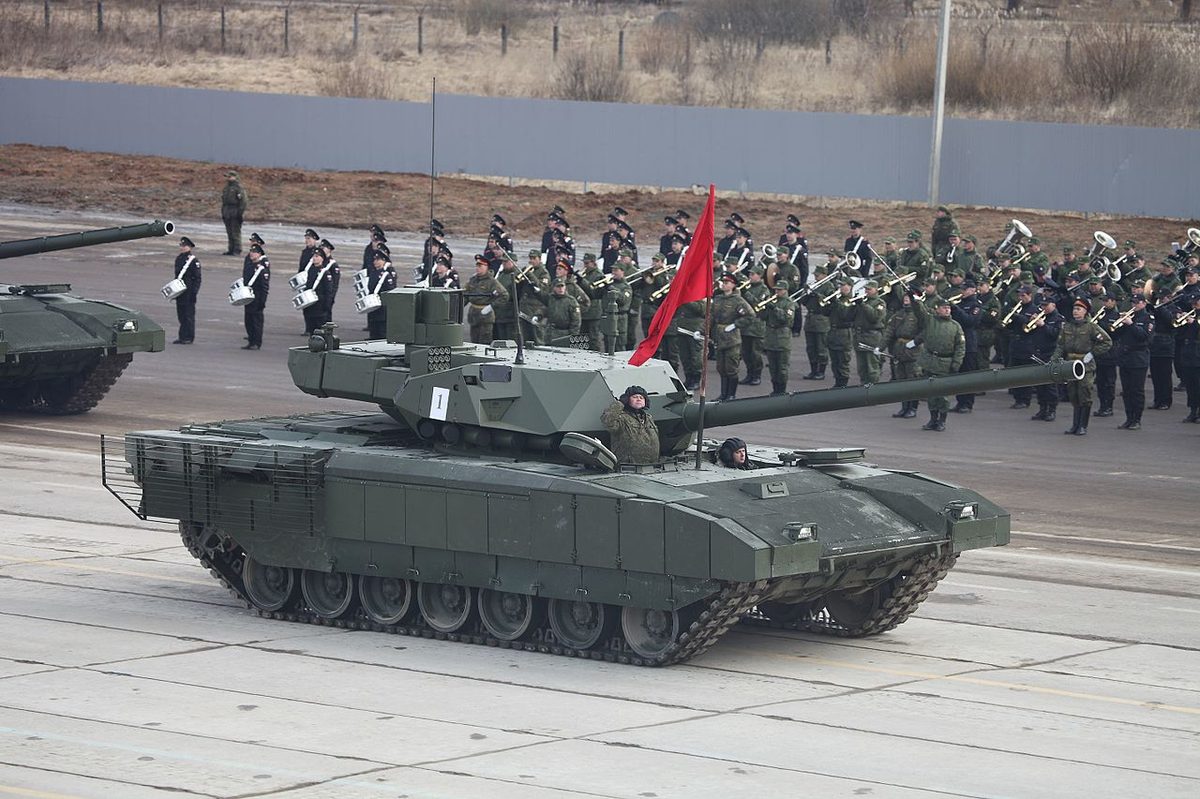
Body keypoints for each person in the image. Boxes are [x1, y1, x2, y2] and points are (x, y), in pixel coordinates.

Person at [1053, 298, 1112, 435]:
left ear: (1085, 311)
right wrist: (1054, 360)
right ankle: (1075, 425)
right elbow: (1060, 345)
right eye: (1074, 309)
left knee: (1084, 393)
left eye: (1079, 309)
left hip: (1085, 365)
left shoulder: (1091, 327)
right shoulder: (1067, 326)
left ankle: (1082, 426)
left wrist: (1092, 353)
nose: (1075, 312)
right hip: (1070, 364)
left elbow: (1107, 342)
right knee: (1073, 394)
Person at [912, 295, 965, 431]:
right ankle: (932, 419)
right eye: (944, 308)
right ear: (937, 309)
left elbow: (960, 347)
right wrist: (916, 300)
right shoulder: (930, 321)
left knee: (942, 395)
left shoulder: (955, 326)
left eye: (948, 308)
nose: (947, 310)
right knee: (931, 393)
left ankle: (942, 420)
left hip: (945, 363)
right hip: (930, 361)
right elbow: (920, 311)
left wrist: (956, 363)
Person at [1112, 291, 1153, 430]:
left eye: (1137, 303)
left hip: (1138, 358)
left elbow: (1144, 337)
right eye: (1133, 303)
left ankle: (1137, 419)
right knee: (1127, 390)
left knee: (1137, 391)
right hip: (1125, 357)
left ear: (1144, 303)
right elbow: (1115, 334)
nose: (1134, 305)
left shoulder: (1148, 318)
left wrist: (1130, 325)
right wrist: (1120, 324)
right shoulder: (1129, 317)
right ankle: (1129, 418)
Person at [712, 273, 754, 401]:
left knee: (731, 368)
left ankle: (731, 395)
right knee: (721, 368)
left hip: (732, 338)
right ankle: (723, 394)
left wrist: (735, 325)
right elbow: (711, 317)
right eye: (723, 282)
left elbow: (750, 316)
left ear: (733, 285)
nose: (724, 284)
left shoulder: (738, 300)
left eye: (727, 282)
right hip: (719, 337)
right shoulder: (718, 299)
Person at [601, 385, 660, 466]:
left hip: (651, 466)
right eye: (635, 397)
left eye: (641, 397)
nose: (638, 399)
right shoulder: (621, 417)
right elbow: (608, 422)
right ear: (627, 399)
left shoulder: (649, 418)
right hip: (628, 467)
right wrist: (620, 403)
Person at [464, 254, 509, 344]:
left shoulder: (492, 282)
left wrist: (491, 306)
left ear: (486, 267)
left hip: (486, 317)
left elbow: (504, 295)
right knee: (474, 341)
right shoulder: (473, 280)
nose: (477, 268)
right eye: (477, 266)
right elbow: (466, 295)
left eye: (480, 266)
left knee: (484, 341)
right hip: (473, 315)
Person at [763, 280, 797, 396]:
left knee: (782, 368)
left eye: (779, 290)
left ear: (785, 290)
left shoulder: (789, 303)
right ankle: (775, 388)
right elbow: (763, 317)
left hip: (782, 339)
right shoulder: (773, 301)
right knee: (772, 367)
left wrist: (774, 309)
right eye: (776, 289)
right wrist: (765, 308)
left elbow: (787, 319)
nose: (777, 291)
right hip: (771, 338)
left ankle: (781, 390)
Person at [171, 236, 201, 344]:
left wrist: (194, 293)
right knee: (181, 314)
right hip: (180, 291)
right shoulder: (179, 258)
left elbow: (197, 278)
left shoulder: (193, 261)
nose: (182, 248)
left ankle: (189, 337)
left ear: (190, 247)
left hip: (189, 292)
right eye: (182, 245)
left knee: (188, 315)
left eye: (185, 246)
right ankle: (182, 336)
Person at [241, 243, 270, 349]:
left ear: (259, 254)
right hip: (248, 297)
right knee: (248, 320)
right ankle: (251, 340)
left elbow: (264, 288)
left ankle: (257, 342)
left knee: (256, 321)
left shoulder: (262, 270)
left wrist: (262, 302)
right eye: (251, 252)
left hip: (257, 298)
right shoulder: (249, 265)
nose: (252, 254)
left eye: (254, 252)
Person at [366, 247, 396, 340]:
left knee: (382, 332)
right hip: (373, 306)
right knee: (373, 330)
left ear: (384, 261)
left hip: (382, 307)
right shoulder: (373, 273)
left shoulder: (386, 275)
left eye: (378, 260)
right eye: (375, 260)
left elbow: (390, 291)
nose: (375, 262)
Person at [546, 278, 581, 344]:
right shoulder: (550, 298)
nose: (560, 289)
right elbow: (544, 309)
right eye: (558, 287)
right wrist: (538, 315)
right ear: (554, 288)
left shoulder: (571, 301)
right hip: (551, 332)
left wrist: (573, 335)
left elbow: (576, 320)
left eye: (562, 286)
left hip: (565, 333)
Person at [221, 170, 247, 256]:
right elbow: (224, 201)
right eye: (227, 177)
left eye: (230, 177)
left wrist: (239, 212)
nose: (228, 178)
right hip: (227, 211)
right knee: (229, 231)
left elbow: (243, 201)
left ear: (235, 177)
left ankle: (237, 249)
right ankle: (231, 249)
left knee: (235, 231)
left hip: (235, 210)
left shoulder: (238, 188)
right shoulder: (226, 188)